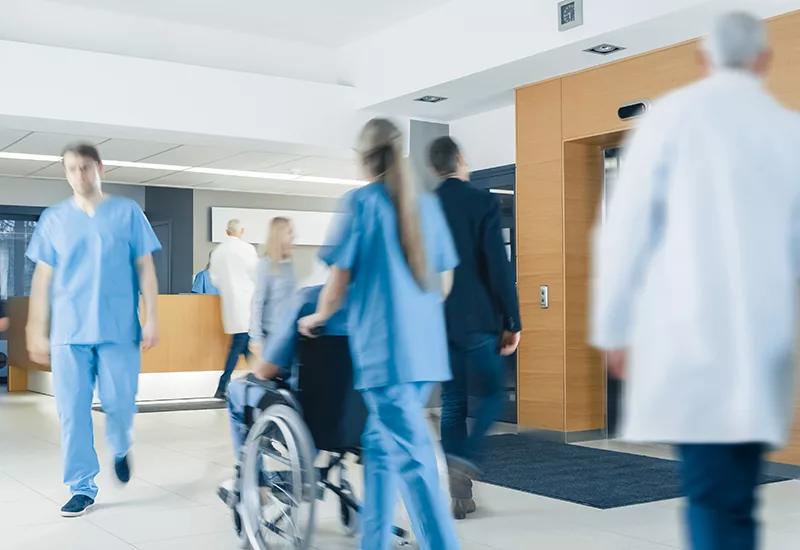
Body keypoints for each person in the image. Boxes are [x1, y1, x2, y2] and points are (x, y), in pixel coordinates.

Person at [591, 12, 800, 550]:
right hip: (763, 341)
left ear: (705, 59)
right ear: (765, 59)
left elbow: (625, 233)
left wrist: (615, 327)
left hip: (691, 336)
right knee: (738, 494)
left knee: (709, 493)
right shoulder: (789, 133)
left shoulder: (670, 121)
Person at [299, 118, 461, 550]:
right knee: (379, 446)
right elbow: (444, 283)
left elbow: (335, 286)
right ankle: (374, 541)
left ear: (365, 158)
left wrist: (316, 318)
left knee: (414, 461)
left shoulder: (361, 204)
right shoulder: (425, 203)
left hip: (386, 356)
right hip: (425, 353)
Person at [25, 142, 161, 517]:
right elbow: (43, 278)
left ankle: (119, 445)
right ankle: (81, 486)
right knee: (72, 411)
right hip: (69, 332)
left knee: (119, 405)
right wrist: (35, 329)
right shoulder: (53, 218)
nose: (79, 175)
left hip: (118, 329)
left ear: (100, 167)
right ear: (65, 173)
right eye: (71, 169)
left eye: (85, 167)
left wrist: (153, 317)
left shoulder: (127, 212)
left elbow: (145, 267)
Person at [429, 136, 521, 519]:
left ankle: (460, 495)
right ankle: (464, 460)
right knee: (493, 394)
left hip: (437, 322)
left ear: (434, 168)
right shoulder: (482, 201)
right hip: (479, 321)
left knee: (452, 403)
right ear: (461, 160)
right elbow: (497, 268)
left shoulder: (425, 207)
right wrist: (512, 320)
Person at [209, 219, 259, 399]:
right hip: (248, 301)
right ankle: (223, 385)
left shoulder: (218, 251)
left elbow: (214, 279)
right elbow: (257, 274)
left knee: (243, 341)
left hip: (230, 302)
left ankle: (258, 377)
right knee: (240, 341)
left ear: (226, 231)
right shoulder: (248, 249)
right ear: (241, 231)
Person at [248, 217, 296, 356]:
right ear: (279, 234)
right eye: (289, 232)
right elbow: (257, 302)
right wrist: (256, 338)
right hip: (270, 335)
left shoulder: (288, 266)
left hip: (286, 333)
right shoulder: (265, 265)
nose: (294, 235)